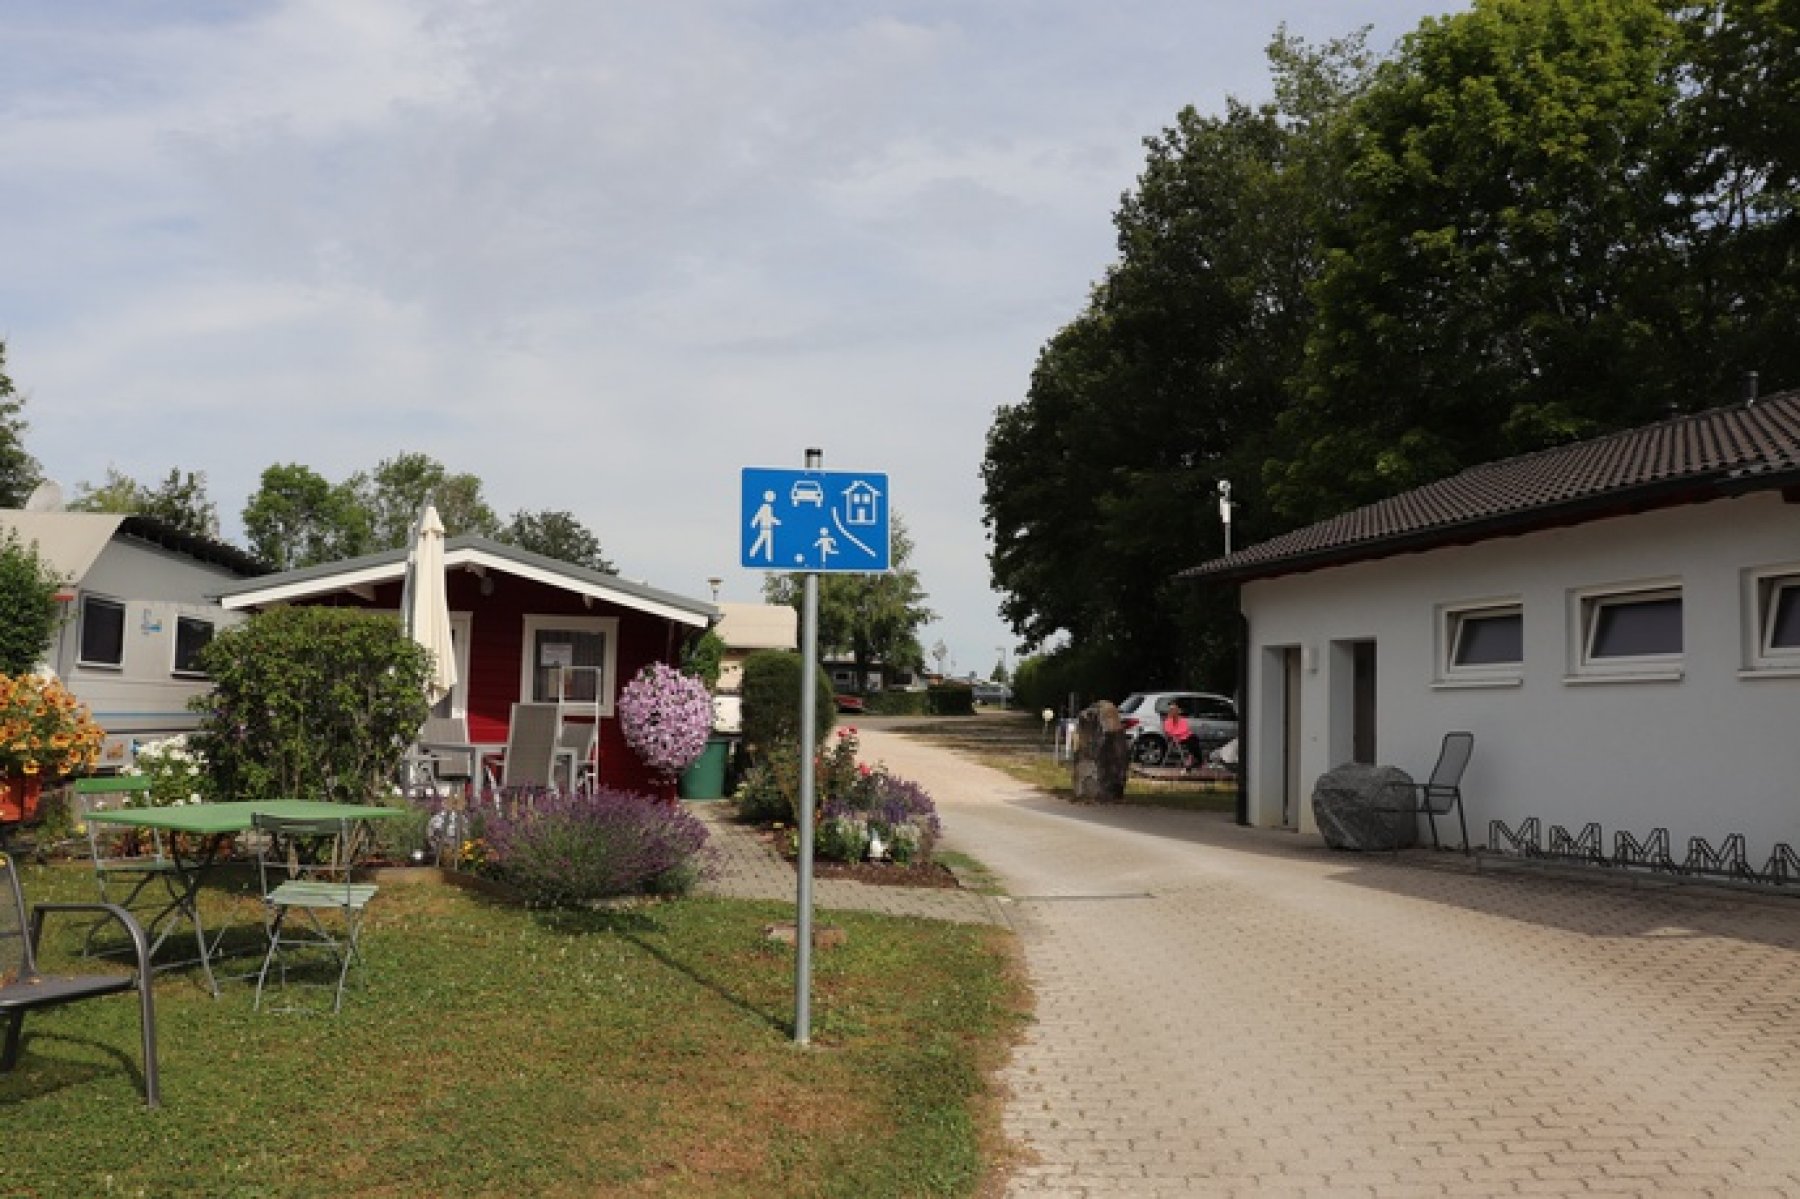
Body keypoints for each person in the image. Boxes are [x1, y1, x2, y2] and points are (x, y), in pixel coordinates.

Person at [1161, 703, 1203, 770]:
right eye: (1172, 710)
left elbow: (1185, 728)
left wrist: (1178, 732)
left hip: (1186, 736)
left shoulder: (1182, 720)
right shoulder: (1167, 721)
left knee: (1195, 739)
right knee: (1192, 742)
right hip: (1176, 738)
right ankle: (1194, 759)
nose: (1174, 712)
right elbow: (1168, 731)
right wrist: (1178, 733)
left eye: (1175, 710)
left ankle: (1194, 758)